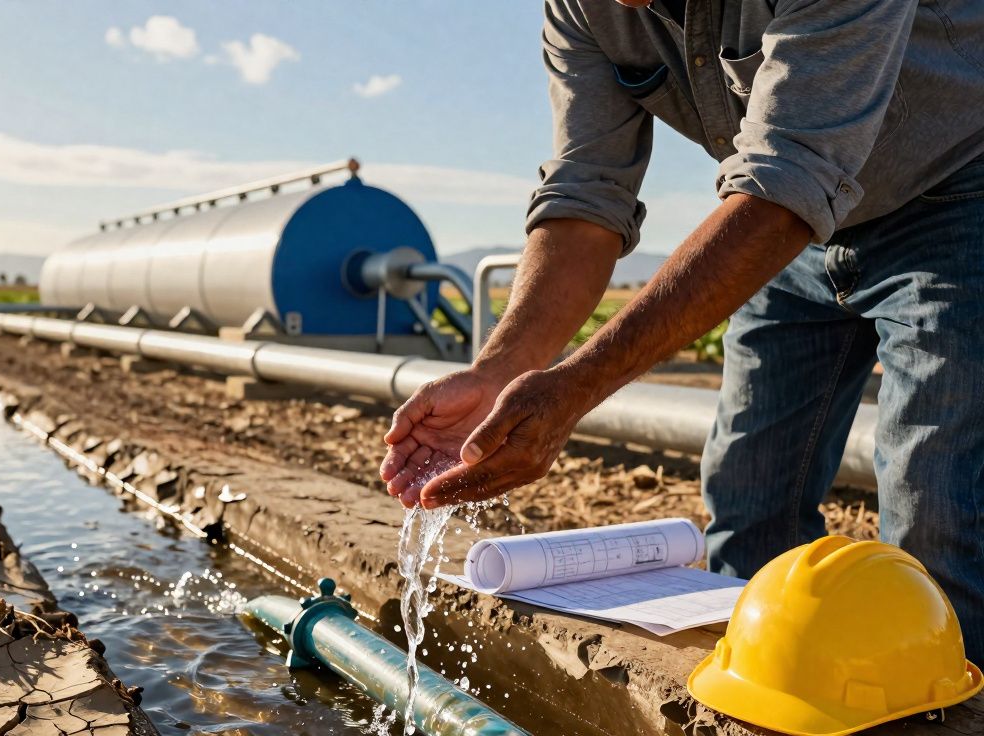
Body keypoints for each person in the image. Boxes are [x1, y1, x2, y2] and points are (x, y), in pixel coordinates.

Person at [380, 0, 984, 662]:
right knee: (750, 498)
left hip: (953, 191)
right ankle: (764, 693)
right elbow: (588, 196)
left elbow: (792, 175)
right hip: (794, 230)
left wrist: (577, 387)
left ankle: (943, 699)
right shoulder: (581, 10)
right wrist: (501, 371)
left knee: (940, 510)